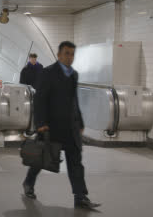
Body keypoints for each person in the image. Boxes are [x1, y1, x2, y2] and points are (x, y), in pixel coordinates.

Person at [22, 41, 101, 210]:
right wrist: (40, 123)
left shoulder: (74, 75)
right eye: (66, 53)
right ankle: (28, 183)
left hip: (70, 128)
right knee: (41, 158)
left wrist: (80, 121)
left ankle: (80, 197)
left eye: (72, 54)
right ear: (59, 55)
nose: (70, 57)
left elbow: (74, 100)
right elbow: (40, 99)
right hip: (51, 127)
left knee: (76, 162)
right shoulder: (48, 73)